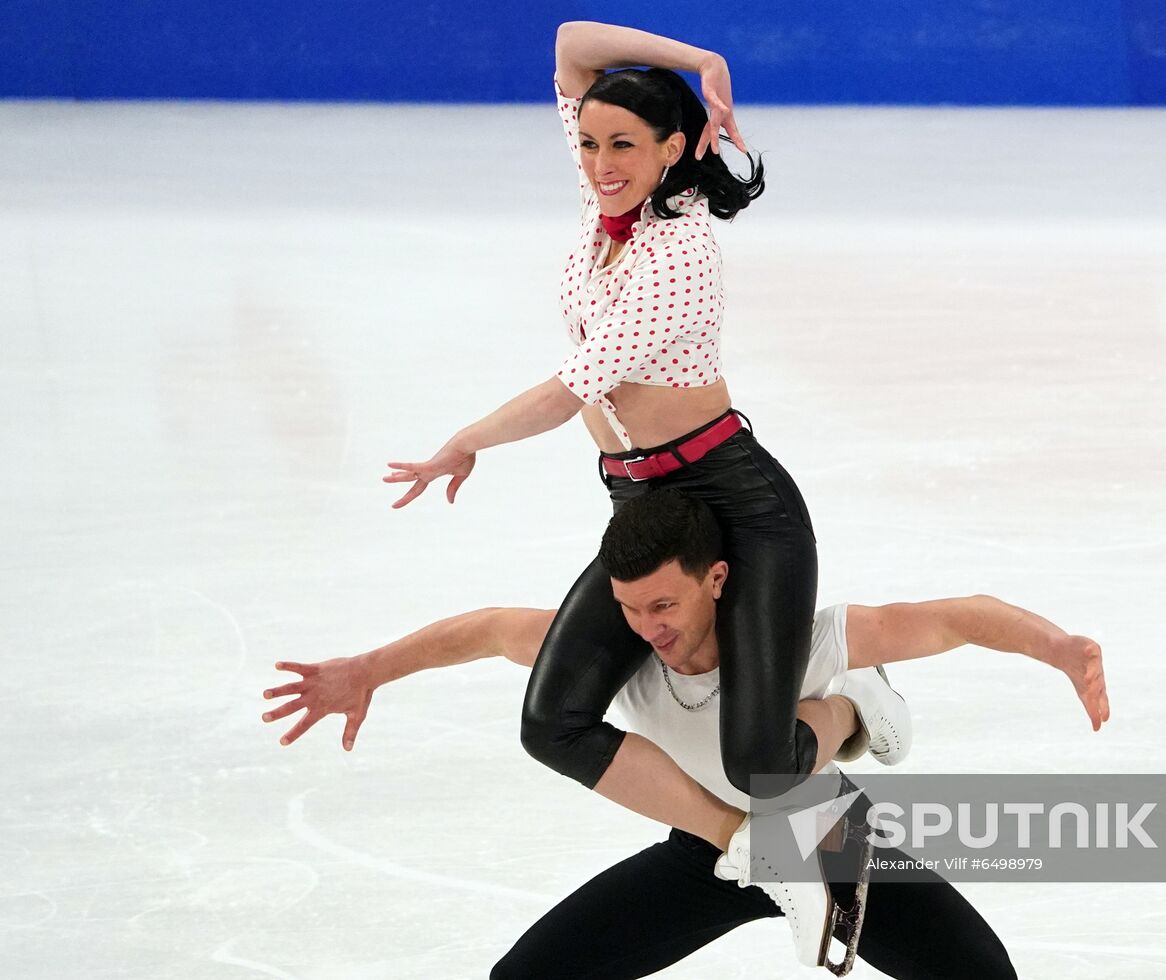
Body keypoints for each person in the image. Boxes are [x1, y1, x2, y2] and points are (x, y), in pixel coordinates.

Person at [264, 492, 1111, 977]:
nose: (648, 628)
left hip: (821, 836)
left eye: (663, 606)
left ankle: (851, 706)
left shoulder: (796, 639)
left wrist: (1061, 649)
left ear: (715, 579)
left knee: (981, 979)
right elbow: (490, 629)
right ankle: (850, 714)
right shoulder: (622, 652)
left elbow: (952, 619)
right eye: (630, 610)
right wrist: (368, 669)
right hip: (710, 846)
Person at [380, 21, 835, 840]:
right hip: (642, 504)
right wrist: (699, 61)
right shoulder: (613, 199)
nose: (598, 164)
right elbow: (570, 44)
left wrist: (466, 440)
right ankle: (736, 846)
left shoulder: (678, 253)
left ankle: (854, 708)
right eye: (587, 144)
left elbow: (569, 393)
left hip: (734, 500)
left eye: (621, 145)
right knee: (552, 721)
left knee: (761, 765)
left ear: (673, 149)